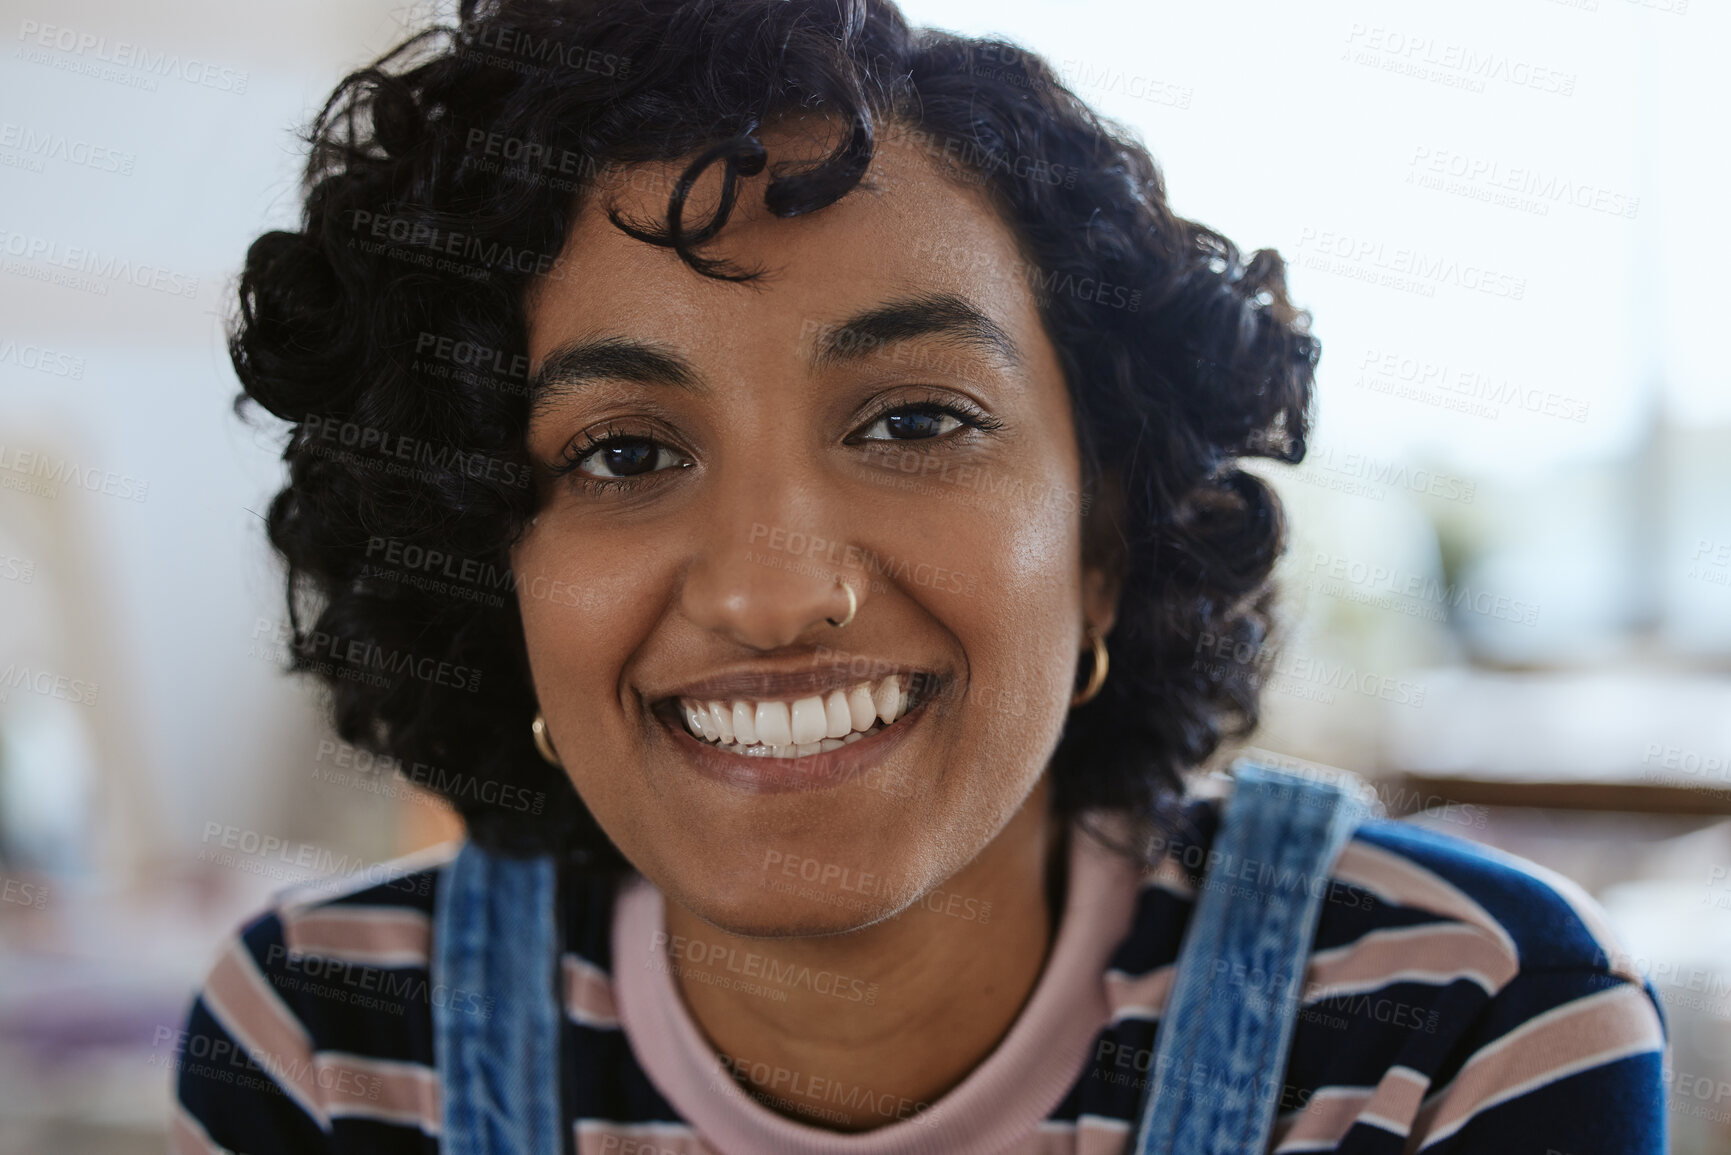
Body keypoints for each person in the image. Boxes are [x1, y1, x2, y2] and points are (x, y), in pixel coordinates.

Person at [171, 1, 1667, 1152]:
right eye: (624, 454)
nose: (774, 593)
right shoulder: (325, 1047)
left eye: (915, 421)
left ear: (1104, 540)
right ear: (486, 566)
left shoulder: (1462, 1025)